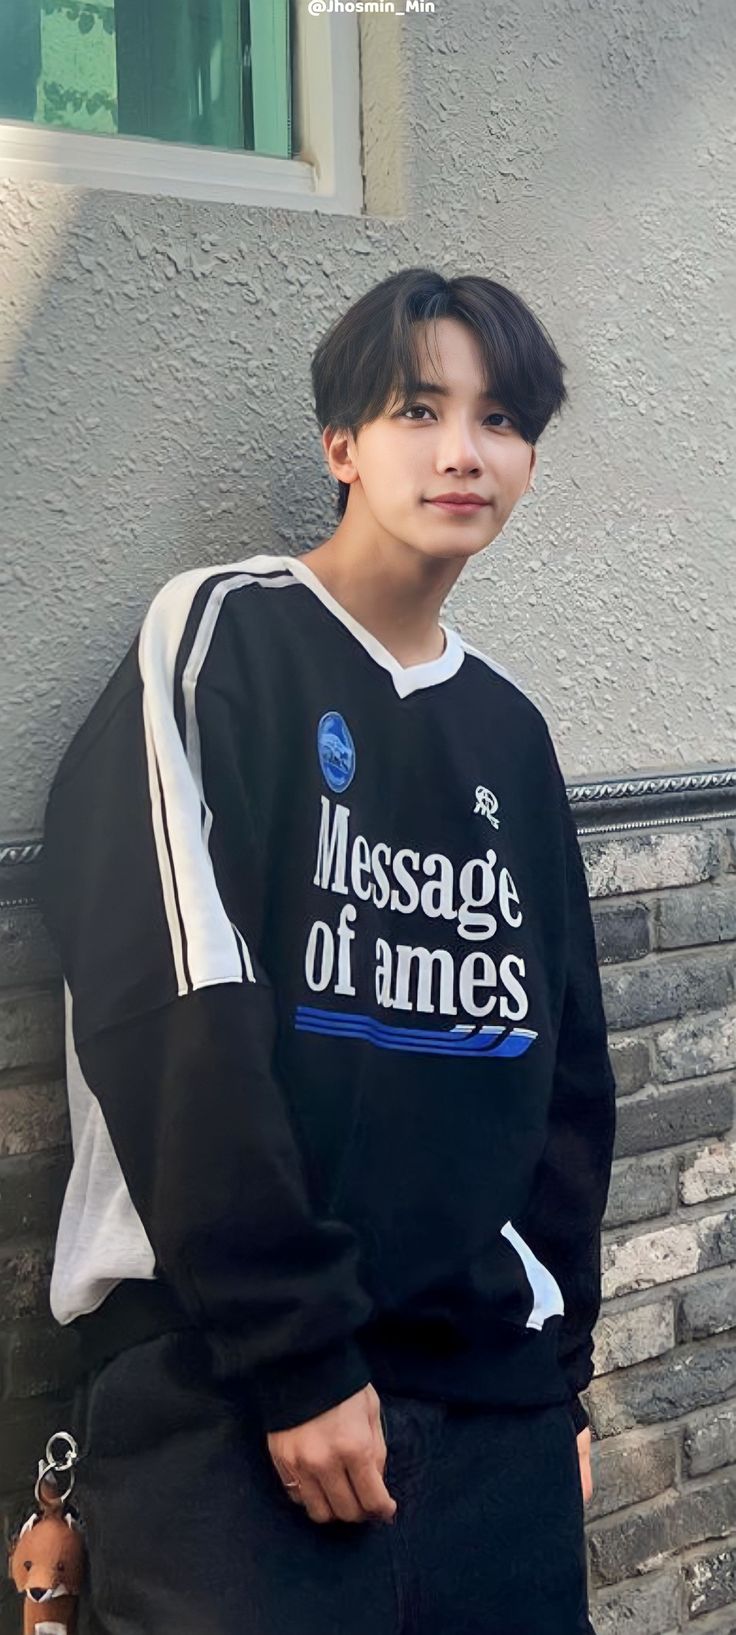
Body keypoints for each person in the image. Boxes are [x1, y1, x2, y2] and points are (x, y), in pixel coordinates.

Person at [39, 266, 616, 1634]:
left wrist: (556, 1376)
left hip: (491, 1414)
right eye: (419, 408)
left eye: (501, 419)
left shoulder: (512, 733)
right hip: (235, 1396)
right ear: (340, 442)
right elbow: (172, 1000)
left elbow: (563, 1078)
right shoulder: (222, 632)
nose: (463, 450)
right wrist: (295, 1357)